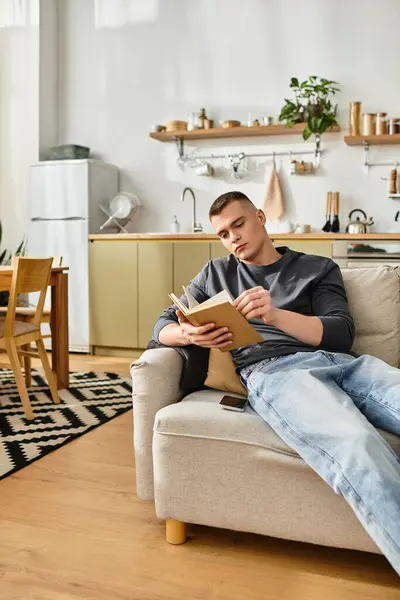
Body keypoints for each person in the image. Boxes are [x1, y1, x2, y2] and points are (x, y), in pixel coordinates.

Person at [152, 190, 400, 575]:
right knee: (358, 444)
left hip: (344, 364)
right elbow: (162, 325)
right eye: (223, 233)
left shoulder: (316, 267)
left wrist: (276, 315)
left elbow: (340, 333)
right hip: (276, 373)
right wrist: (189, 336)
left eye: (239, 224)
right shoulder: (216, 274)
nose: (233, 237)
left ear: (261, 218)